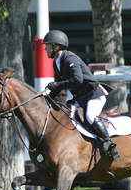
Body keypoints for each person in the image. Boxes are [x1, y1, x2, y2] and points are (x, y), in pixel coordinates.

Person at [42, 29, 121, 161]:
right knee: (66, 114)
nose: (45, 49)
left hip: (93, 95)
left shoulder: (69, 58)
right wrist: (46, 99)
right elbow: (58, 85)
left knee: (90, 116)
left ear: (56, 46)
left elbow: (77, 79)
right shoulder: (56, 62)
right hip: (80, 98)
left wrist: (57, 85)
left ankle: (109, 144)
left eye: (47, 46)